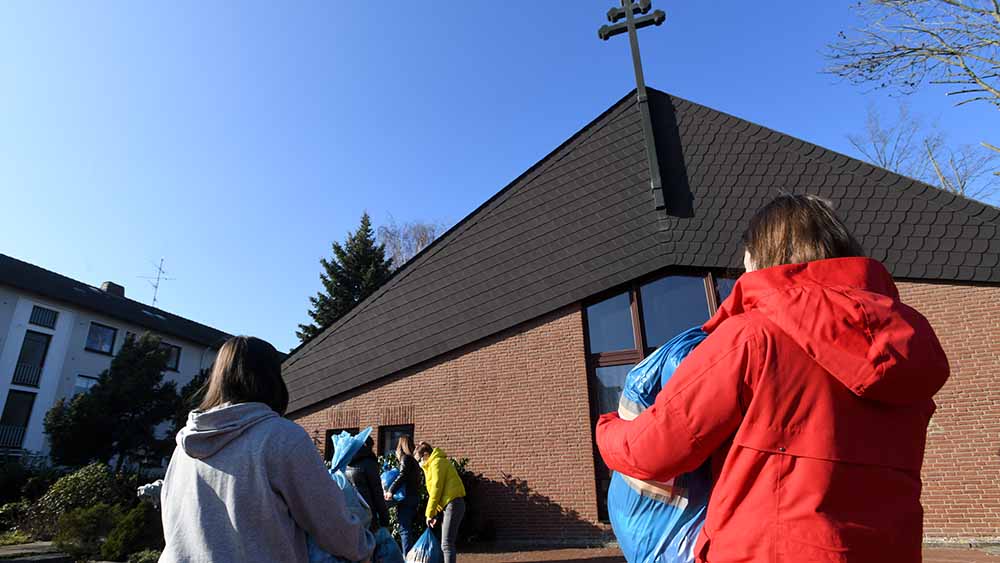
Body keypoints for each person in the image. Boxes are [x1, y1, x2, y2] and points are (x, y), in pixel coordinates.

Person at [596, 194, 950, 563]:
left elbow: (653, 451)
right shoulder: (905, 348)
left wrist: (608, 427)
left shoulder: (752, 338)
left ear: (759, 255)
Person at [160, 336, 373, 563]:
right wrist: (367, 547)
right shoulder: (282, 438)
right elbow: (333, 525)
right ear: (272, 379)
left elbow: (172, 521)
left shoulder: (185, 445)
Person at [415, 441, 466, 563]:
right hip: (450, 504)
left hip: (452, 504)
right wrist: (435, 514)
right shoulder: (433, 464)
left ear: (426, 454)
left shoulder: (437, 463)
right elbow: (439, 493)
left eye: (419, 460)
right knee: (446, 543)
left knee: (447, 544)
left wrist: (429, 514)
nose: (419, 463)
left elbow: (436, 489)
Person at [385, 435, 421, 555]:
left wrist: (391, 491)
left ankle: (407, 556)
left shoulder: (405, 459)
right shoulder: (414, 461)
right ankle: (409, 555)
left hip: (406, 498)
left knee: (404, 529)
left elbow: (402, 475)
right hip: (413, 497)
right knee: (407, 529)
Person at [345, 435, 391, 530]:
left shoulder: (347, 462)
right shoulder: (369, 463)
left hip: (350, 510)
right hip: (367, 511)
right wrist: (384, 517)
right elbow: (377, 491)